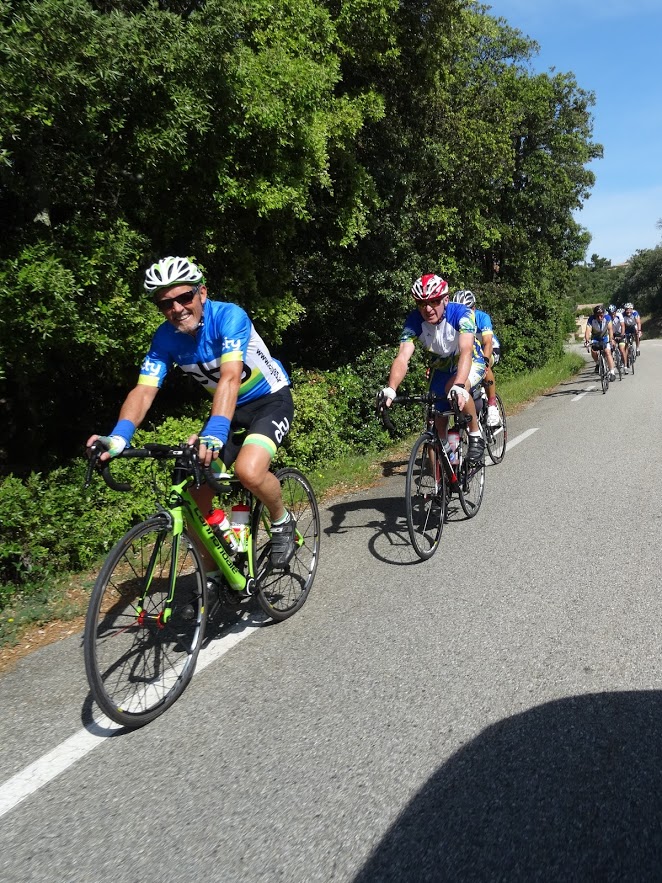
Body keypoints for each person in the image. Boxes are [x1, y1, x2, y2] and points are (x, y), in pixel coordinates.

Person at [86, 256, 297, 588]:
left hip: (269, 400)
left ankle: (283, 521)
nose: (177, 308)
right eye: (165, 303)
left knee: (249, 471)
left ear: (202, 293)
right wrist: (119, 436)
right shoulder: (165, 339)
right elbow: (143, 390)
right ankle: (216, 571)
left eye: (184, 297)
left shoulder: (229, 317)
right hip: (227, 410)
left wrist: (213, 432)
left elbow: (229, 377)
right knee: (192, 489)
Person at [378, 273, 486, 462]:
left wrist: (460, 385)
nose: (427, 309)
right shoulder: (414, 321)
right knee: (437, 417)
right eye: (421, 303)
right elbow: (403, 356)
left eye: (434, 302)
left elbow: (467, 350)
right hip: (441, 367)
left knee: (454, 388)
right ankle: (446, 465)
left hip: (470, 361)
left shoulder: (461, 313)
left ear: (445, 299)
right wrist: (391, 388)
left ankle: (476, 435)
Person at [452, 290, 501, 426]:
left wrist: (485, 360)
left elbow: (488, 342)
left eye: (468, 309)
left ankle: (492, 405)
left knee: (485, 365)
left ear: (474, 308)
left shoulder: (481, 317)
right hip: (471, 352)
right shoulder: (454, 320)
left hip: (489, 349)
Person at [584, 304, 616, 378]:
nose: (599, 317)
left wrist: (611, 340)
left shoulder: (607, 318)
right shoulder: (591, 319)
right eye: (597, 315)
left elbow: (610, 330)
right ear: (594, 315)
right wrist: (587, 340)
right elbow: (588, 331)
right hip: (595, 337)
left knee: (608, 352)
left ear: (604, 314)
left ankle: (612, 372)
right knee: (593, 351)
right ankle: (598, 363)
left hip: (605, 337)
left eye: (601, 315)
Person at [608, 304, 629, 374]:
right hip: (612, 334)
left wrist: (622, 335)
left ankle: (625, 367)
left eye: (613, 313)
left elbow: (623, 326)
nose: (612, 315)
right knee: (610, 350)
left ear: (615, 312)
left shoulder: (619, 315)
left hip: (620, 333)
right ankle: (612, 367)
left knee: (622, 349)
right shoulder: (607, 317)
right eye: (610, 313)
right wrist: (611, 338)